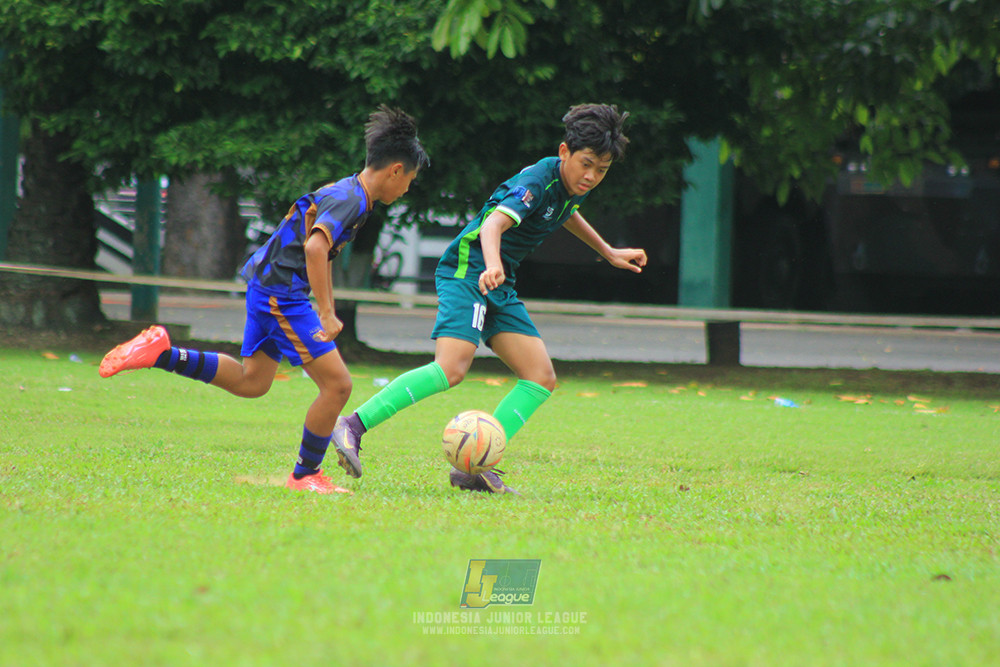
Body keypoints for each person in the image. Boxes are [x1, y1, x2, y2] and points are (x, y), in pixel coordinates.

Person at [98, 105, 430, 495]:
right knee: (338, 385)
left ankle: (160, 353)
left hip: (269, 287)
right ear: (395, 170)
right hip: (281, 295)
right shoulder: (351, 200)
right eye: (409, 180)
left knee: (251, 382)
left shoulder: (350, 192)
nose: (407, 189)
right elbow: (315, 248)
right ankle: (306, 475)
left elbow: (315, 249)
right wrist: (325, 312)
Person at [331, 103, 645, 494]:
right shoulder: (538, 181)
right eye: (586, 164)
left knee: (540, 377)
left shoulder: (566, 186)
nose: (591, 176)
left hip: (498, 279)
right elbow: (494, 223)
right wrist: (493, 265)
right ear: (564, 151)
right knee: (452, 368)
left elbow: (566, 212)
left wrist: (609, 252)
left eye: (602, 170)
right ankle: (352, 426)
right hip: (469, 269)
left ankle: (475, 467)